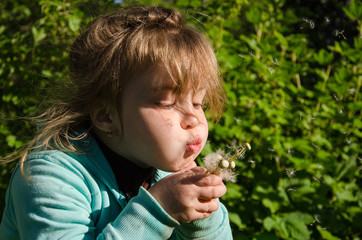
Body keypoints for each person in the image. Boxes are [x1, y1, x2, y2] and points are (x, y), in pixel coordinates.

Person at [0, 5, 232, 239]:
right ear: (105, 116)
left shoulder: (162, 166)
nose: (194, 119)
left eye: (198, 103)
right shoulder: (49, 178)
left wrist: (202, 219)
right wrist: (159, 211)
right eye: (167, 103)